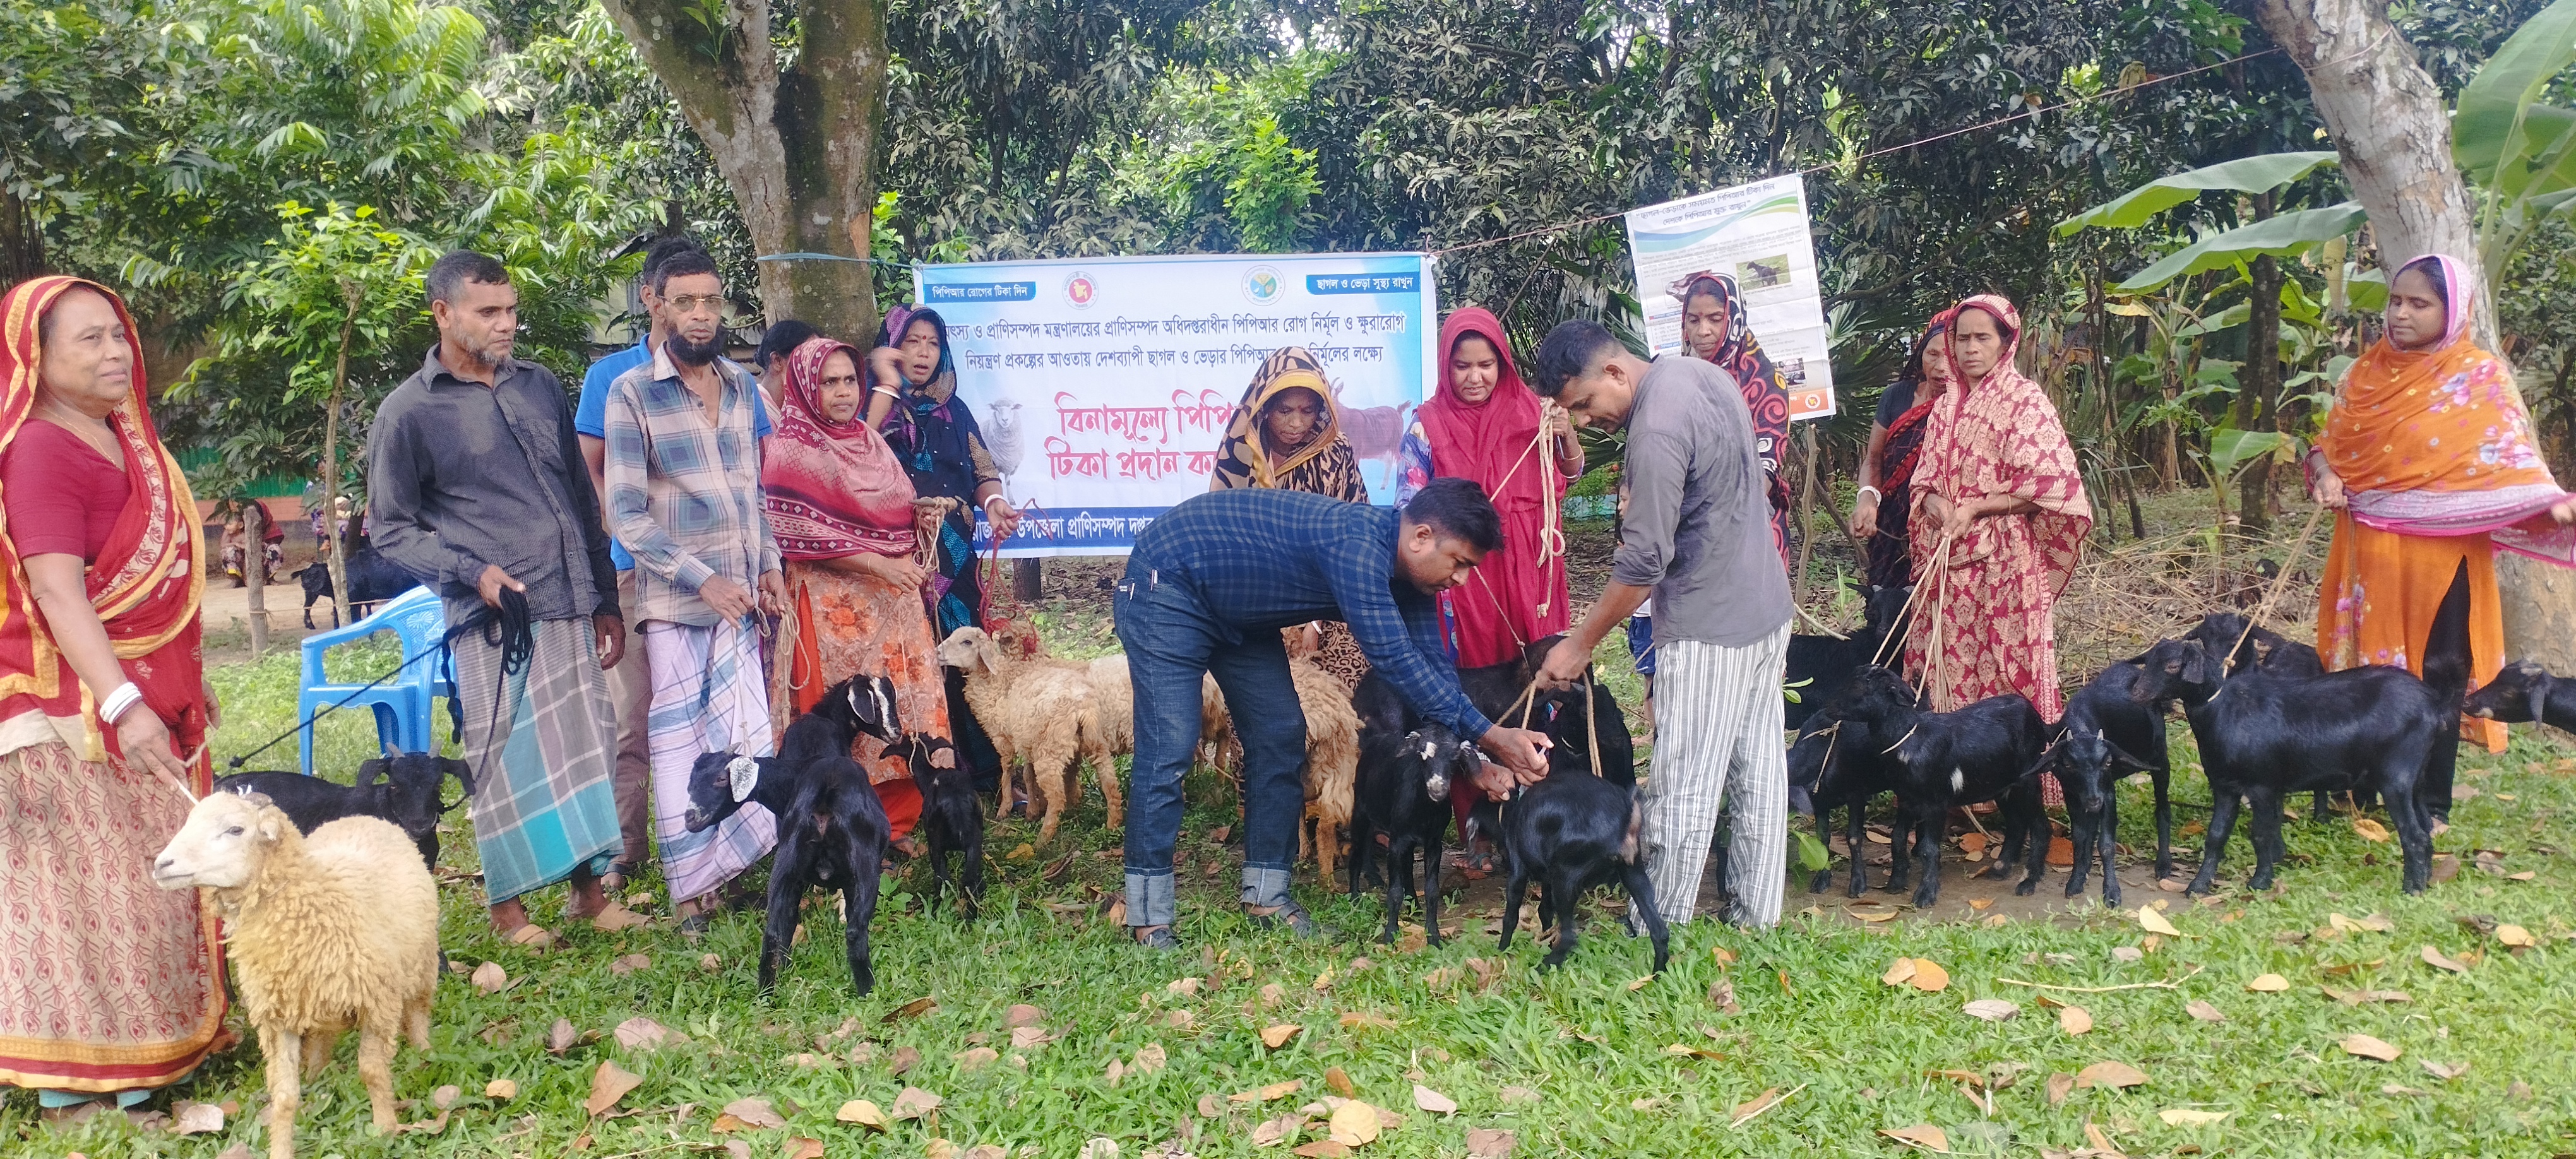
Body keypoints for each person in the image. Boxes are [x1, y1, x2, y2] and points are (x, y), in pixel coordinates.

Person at [1114, 480, 1553, 948]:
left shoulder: (1415, 581)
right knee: (1170, 748)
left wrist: (1475, 760)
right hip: (1169, 587)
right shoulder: (1357, 548)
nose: (1462, 579)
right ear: (1421, 537)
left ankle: (1267, 899)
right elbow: (1395, 660)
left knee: (1281, 735)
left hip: (1239, 613)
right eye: (1460, 563)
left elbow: (1435, 671)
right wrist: (1493, 735)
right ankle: (1149, 918)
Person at [0, 276, 228, 1110]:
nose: (112, 354)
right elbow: (57, 592)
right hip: (73, 715)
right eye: (88, 339)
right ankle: (81, 1084)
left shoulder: (126, 444)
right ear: (37, 354)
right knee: (88, 899)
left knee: (150, 882)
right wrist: (123, 703)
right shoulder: (38, 451)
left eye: (118, 336)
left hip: (145, 694)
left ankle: (155, 1052)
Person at [373, 249, 625, 935]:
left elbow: (579, 495)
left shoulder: (540, 385)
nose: (506, 324)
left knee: (584, 745)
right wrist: (470, 572)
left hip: (569, 599)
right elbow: (390, 529)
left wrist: (605, 596)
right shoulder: (407, 413)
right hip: (493, 615)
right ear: (443, 313)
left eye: (511, 310)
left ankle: (590, 895)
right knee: (501, 756)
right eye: (489, 312)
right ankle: (506, 911)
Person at [1529, 319, 1796, 927]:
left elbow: (1644, 563)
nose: (1589, 421)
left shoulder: (1654, 427)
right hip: (1765, 604)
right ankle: (1758, 918)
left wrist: (1579, 643)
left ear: (1616, 372)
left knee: (1683, 782)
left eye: (1587, 405)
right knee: (1757, 771)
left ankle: (1656, 923)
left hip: (1709, 622)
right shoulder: (1701, 373)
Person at [2310, 253, 2576, 821]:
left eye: (2419, 303)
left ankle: (2430, 799)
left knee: (2441, 670)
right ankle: (2354, 787)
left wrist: (2547, 502)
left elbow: (2511, 459)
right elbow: (2326, 447)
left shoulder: (2478, 376)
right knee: (2364, 667)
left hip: (2444, 553)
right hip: (2368, 549)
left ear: (2451, 311)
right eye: (2396, 300)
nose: (2401, 314)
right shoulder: (2362, 375)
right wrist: (2327, 475)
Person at [573, 235, 777, 893]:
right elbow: (624, 513)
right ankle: (692, 890)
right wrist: (702, 577)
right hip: (675, 599)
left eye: (712, 302)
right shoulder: (630, 393)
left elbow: (754, 494)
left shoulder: (742, 388)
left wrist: (767, 564)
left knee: (744, 736)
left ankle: (735, 866)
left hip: (741, 597)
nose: (701, 315)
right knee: (678, 745)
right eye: (685, 302)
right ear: (657, 306)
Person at [1901, 295, 2092, 807]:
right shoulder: (1943, 406)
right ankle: (1963, 797)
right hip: (1949, 568)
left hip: (2007, 566)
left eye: (1983, 337)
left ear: (2007, 342)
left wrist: (1980, 508)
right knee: (1951, 671)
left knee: (2010, 674)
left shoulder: (2026, 402)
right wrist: (1939, 504)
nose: (1969, 349)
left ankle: (2025, 796)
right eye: (1961, 338)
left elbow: (2053, 486)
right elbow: (1923, 482)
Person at [763, 334, 942, 847]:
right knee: (841, 718)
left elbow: (893, 511)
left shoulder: (869, 439)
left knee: (897, 709)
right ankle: (838, 829)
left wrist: (920, 521)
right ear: (804, 386)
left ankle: (897, 822)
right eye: (828, 383)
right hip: (829, 608)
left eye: (849, 381)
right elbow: (795, 534)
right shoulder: (791, 451)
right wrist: (877, 564)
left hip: (892, 606)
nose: (843, 393)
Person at [866, 305, 1019, 794]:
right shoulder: (875, 406)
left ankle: (989, 773)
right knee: (912, 660)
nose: (924, 353)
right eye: (913, 341)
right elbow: (859, 455)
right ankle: (924, 775)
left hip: (955, 558)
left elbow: (982, 468)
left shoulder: (956, 408)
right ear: (893, 346)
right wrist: (883, 386)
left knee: (967, 656)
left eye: (933, 342)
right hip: (899, 559)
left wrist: (994, 503)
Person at [1396, 308, 1583, 668]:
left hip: (1527, 559)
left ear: (1501, 363)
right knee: (1469, 664)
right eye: (1462, 366)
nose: (1475, 377)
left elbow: (1569, 476)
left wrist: (1568, 436)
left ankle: (1537, 724)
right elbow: (1409, 505)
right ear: (1445, 366)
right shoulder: (1426, 425)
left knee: (1533, 660)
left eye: (1486, 365)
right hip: (1462, 563)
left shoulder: (1536, 413)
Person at [1210, 347, 1374, 691]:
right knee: (1257, 701)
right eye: (1285, 410)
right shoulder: (1240, 454)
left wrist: (1313, 621)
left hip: (1328, 598)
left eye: (1308, 410)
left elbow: (1352, 537)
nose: (1297, 423)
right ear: (1265, 406)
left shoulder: (1336, 451)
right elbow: (1221, 541)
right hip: (1253, 599)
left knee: (1338, 700)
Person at [1671, 271, 1793, 569]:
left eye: (1715, 318)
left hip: (1751, 526)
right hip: (1692, 529)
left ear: (1735, 318)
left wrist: (1725, 522)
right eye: (1694, 320)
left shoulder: (1765, 383)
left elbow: (1767, 466)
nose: (1703, 331)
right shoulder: (1680, 378)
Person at [1849, 320, 1952, 589]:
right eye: (1933, 354)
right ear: (1921, 356)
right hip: (1891, 527)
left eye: (1951, 356)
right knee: (1886, 612)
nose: (1941, 366)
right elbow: (1874, 460)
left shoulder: (1973, 407)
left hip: (1941, 528)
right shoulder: (1897, 397)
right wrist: (1867, 500)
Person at [218, 498, 284, 588]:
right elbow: (223, 545)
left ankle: (269, 578)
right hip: (241, 561)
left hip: (261, 560)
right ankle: (237, 580)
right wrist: (237, 545)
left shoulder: (269, 528)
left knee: (275, 549)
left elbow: (269, 547)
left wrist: (259, 545)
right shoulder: (235, 530)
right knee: (228, 551)